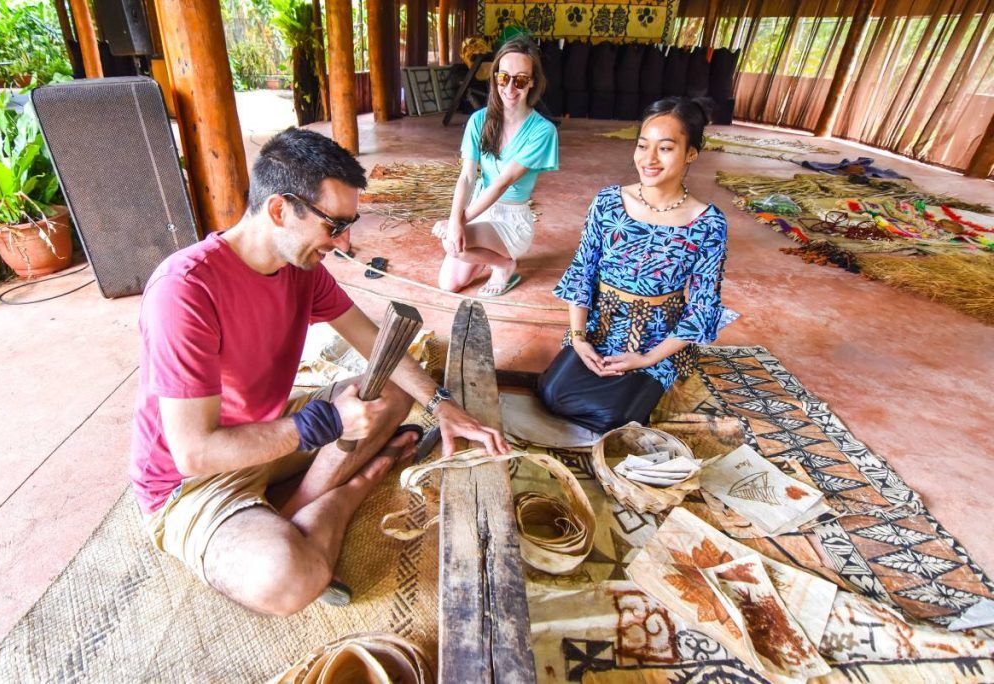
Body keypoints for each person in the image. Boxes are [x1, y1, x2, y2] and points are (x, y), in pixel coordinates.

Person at [130, 128, 509, 617]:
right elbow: (194, 451)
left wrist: (442, 406)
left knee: (393, 390)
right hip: (191, 481)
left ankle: (298, 506)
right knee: (288, 580)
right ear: (279, 209)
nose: (345, 243)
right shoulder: (184, 290)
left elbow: (374, 342)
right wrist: (327, 423)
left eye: (349, 224)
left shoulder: (302, 268)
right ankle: (354, 488)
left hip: (267, 427)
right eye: (335, 225)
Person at [538, 97, 735, 433]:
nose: (649, 159)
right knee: (551, 394)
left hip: (657, 339)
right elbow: (582, 273)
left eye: (666, 148)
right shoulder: (609, 202)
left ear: (691, 154)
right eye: (643, 146)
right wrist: (579, 338)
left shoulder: (708, 222)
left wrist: (646, 358)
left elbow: (703, 308)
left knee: (615, 418)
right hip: (600, 328)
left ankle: (649, 377)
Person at [432, 36, 559, 297]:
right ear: (495, 78)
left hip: (511, 219)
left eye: (521, 80)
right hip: (481, 208)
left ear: (532, 82)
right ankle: (483, 250)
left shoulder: (543, 131)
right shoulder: (479, 120)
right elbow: (467, 177)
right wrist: (456, 219)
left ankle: (504, 263)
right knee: (449, 283)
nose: (510, 88)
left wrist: (457, 224)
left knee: (453, 242)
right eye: (504, 78)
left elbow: (502, 184)